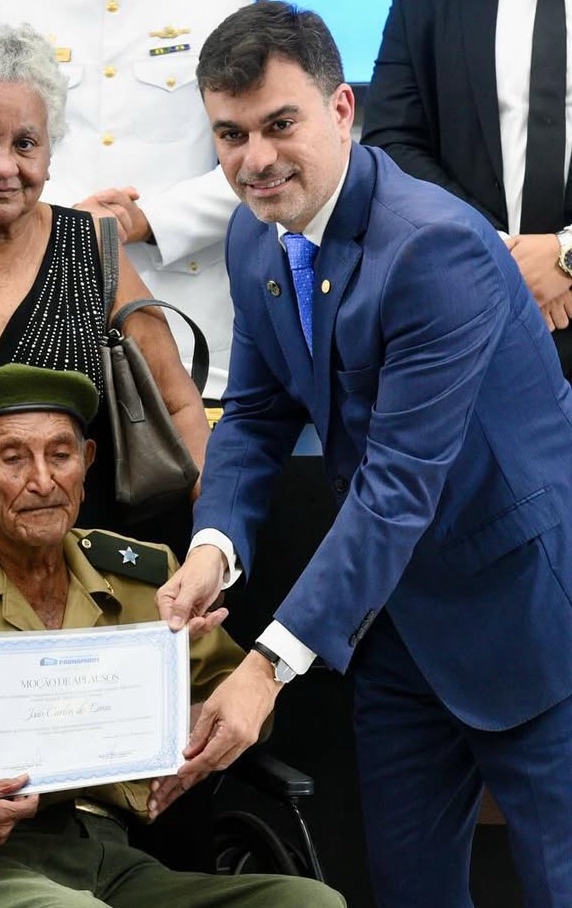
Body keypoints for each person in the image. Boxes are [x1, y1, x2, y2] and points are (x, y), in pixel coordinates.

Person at [155, 5, 572, 907]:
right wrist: (213, 547)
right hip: (390, 625)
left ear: (343, 109)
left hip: (527, 614)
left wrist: (264, 668)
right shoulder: (251, 231)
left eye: (279, 124)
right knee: (407, 888)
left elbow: (396, 488)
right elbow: (258, 414)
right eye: (230, 134)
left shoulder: (435, 247)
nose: (254, 160)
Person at [0, 363, 344, 908]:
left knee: (310, 902)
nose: (43, 481)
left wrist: (194, 728)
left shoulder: (148, 581)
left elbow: (244, 712)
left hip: (119, 858)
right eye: (12, 458)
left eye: (60, 455)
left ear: (87, 464)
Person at [0, 21, 209, 561]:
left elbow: (177, 402)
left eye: (25, 143)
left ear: (49, 153)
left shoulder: (92, 247)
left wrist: (211, 543)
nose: (4, 166)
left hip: (89, 592)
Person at [0, 0, 249, 400]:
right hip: (50, 295)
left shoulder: (223, 8)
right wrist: (64, 222)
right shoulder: (14, 9)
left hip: (184, 309)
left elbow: (259, 163)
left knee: (188, 452)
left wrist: (151, 220)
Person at [362, 0, 572, 379]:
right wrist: (497, 252)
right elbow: (392, 142)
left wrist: (566, 255)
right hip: (468, 317)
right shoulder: (424, 8)